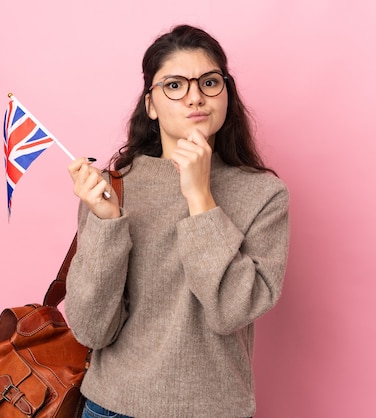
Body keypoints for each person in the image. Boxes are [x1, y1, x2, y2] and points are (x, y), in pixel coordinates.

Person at [65, 24, 289, 418]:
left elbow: (231, 311)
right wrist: (107, 225)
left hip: (215, 410)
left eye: (209, 82)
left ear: (226, 93)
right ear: (150, 104)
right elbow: (91, 330)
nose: (195, 96)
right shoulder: (111, 189)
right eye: (174, 85)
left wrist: (200, 197)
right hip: (112, 408)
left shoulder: (264, 195)